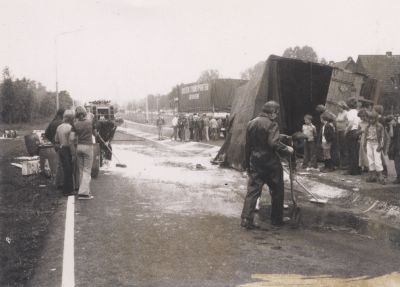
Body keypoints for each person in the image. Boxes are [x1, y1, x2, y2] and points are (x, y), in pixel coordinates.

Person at [241, 101, 294, 228]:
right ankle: (276, 219)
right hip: (270, 163)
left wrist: (247, 164)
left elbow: (247, 145)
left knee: (253, 191)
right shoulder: (272, 124)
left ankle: (246, 219)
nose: (276, 116)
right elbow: (273, 143)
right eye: (276, 113)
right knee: (277, 190)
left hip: (255, 161)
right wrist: (287, 149)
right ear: (272, 112)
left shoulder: (251, 123)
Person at [74, 106, 97, 200]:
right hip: (88, 147)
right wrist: (96, 133)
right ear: (84, 113)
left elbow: (72, 138)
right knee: (87, 170)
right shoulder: (90, 122)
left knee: (81, 170)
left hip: (79, 147)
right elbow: (95, 134)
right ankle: (84, 193)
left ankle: (82, 190)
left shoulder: (75, 124)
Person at [54, 110, 76, 196]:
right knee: (69, 170)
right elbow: (72, 141)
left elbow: (56, 140)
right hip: (68, 148)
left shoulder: (59, 127)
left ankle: (61, 186)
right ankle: (67, 190)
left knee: (63, 168)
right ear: (71, 119)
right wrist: (73, 153)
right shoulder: (70, 128)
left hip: (61, 148)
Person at [363, 111, 385, 184]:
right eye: (369, 119)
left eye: (372, 119)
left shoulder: (380, 126)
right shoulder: (367, 126)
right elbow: (365, 137)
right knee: (370, 159)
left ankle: (381, 176)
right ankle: (372, 175)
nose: (370, 120)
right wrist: (364, 145)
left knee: (377, 159)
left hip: (376, 144)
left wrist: (381, 145)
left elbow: (382, 137)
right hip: (369, 143)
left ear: (376, 119)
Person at [44, 108, 65, 187]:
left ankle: (58, 182)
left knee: (59, 163)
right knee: (62, 164)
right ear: (62, 114)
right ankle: (60, 183)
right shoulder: (62, 123)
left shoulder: (52, 122)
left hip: (55, 145)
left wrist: (53, 141)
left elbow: (46, 134)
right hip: (62, 144)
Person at [345, 98, 362, 175]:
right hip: (357, 131)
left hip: (351, 132)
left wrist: (346, 131)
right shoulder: (357, 112)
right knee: (356, 151)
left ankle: (351, 170)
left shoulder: (349, 113)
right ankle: (357, 169)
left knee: (351, 151)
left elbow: (350, 124)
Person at [336, 101, 349, 169]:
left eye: (339, 107)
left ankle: (345, 164)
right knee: (339, 147)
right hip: (338, 131)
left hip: (343, 131)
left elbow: (348, 122)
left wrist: (346, 130)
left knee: (344, 147)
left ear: (342, 107)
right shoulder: (339, 113)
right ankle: (340, 163)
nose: (337, 108)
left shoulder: (346, 113)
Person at [390, 115, 400, 184]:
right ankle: (398, 177)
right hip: (397, 146)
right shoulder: (396, 126)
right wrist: (391, 126)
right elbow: (391, 135)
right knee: (397, 162)